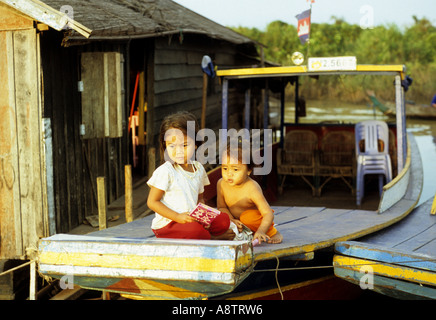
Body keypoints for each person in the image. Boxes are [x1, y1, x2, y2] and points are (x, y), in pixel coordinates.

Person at [147, 111, 234, 240]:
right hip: (168, 224)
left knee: (223, 220)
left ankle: (205, 235)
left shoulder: (198, 168)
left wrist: (205, 218)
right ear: (165, 146)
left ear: (196, 144)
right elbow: (152, 202)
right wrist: (177, 217)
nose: (179, 151)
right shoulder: (166, 171)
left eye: (185, 145)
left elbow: (200, 200)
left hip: (191, 219)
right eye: (172, 146)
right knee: (196, 232)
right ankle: (212, 238)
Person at [217, 142, 283, 244]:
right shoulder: (221, 183)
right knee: (216, 217)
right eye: (225, 168)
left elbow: (268, 213)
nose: (229, 173)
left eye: (235, 169)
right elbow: (221, 207)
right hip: (235, 221)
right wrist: (231, 220)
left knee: (248, 218)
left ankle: (272, 232)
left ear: (248, 170)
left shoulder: (252, 187)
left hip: (252, 221)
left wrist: (261, 230)